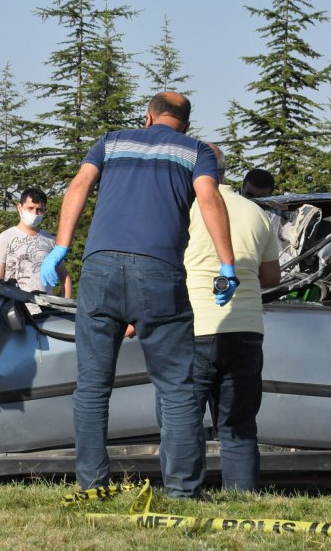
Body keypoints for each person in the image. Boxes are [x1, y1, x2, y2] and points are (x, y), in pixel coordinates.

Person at [41, 91, 236, 499]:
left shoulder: (112, 140)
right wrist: (226, 264)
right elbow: (209, 197)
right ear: (185, 121)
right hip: (159, 271)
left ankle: (93, 486)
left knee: (93, 385)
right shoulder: (196, 151)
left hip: (100, 268)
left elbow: (78, 185)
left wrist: (61, 247)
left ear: (147, 117)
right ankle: (182, 491)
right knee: (177, 387)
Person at [184, 144, 281, 491]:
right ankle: (242, 500)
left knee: (184, 422)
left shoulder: (187, 208)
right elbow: (272, 277)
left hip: (196, 327)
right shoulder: (256, 213)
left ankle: (184, 495)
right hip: (246, 329)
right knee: (239, 427)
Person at [0, 187, 72, 303]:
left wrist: (66, 307)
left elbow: (64, 277)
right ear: (19, 207)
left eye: (39, 210)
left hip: (46, 313)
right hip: (16, 313)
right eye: (30, 208)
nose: (34, 213)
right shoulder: (5, 238)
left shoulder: (51, 241)